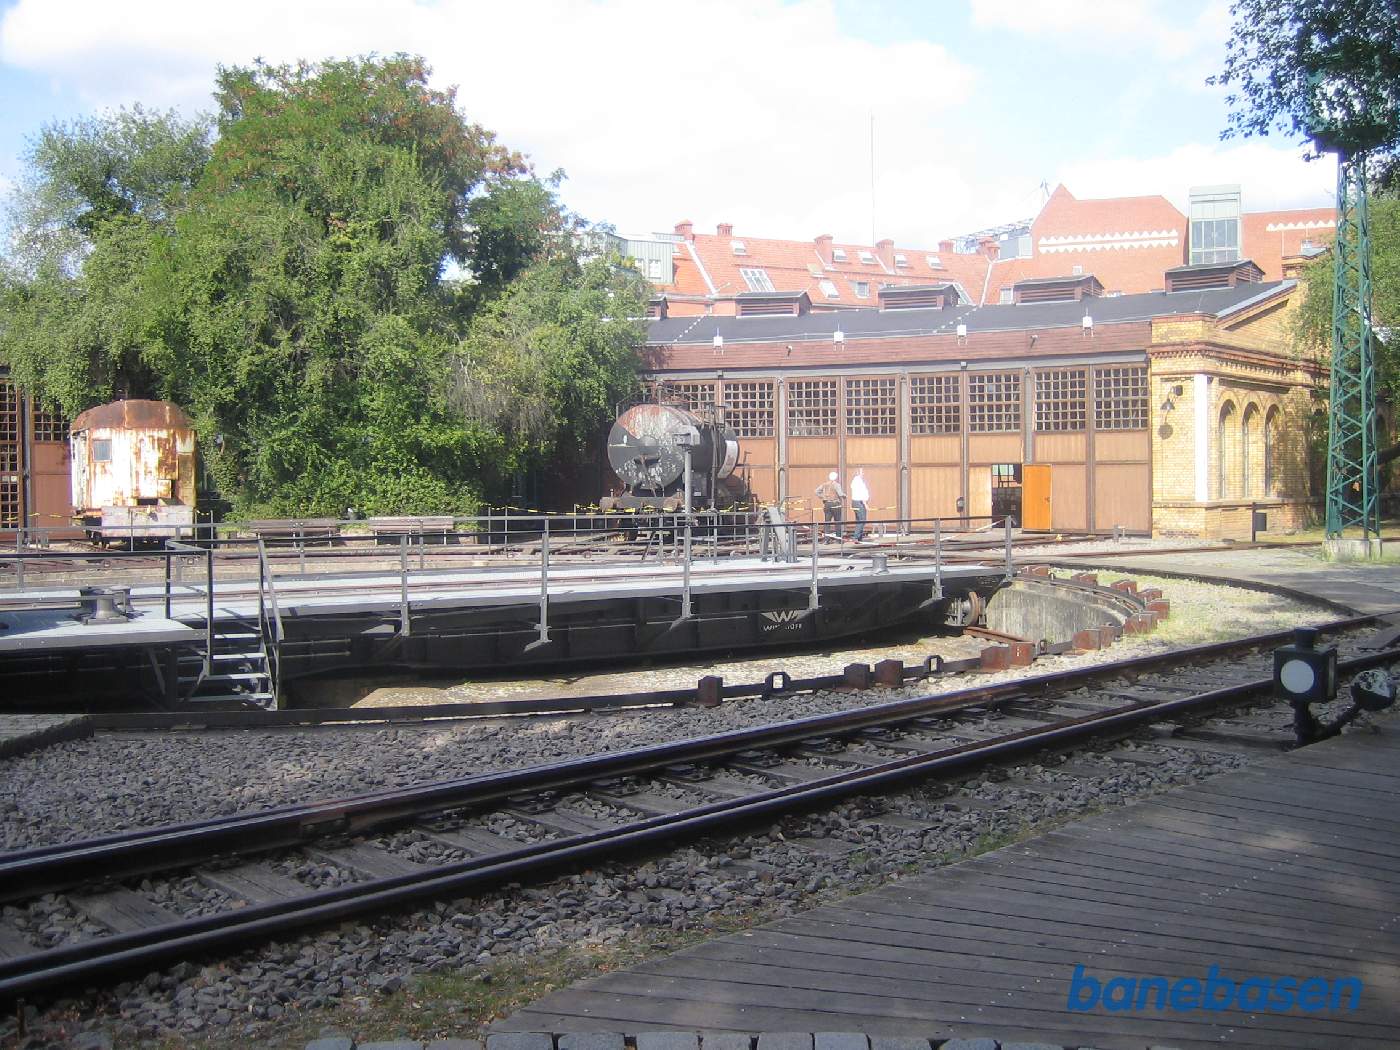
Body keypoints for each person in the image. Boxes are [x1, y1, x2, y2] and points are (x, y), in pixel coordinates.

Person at [814, 471, 845, 540]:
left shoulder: (824, 484)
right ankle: (838, 539)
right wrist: (844, 495)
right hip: (835, 504)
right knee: (838, 522)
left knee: (827, 522)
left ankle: (826, 539)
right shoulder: (837, 485)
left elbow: (816, 491)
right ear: (836, 478)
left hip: (827, 504)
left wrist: (823, 497)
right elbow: (840, 494)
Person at [849, 467, 870, 541]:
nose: (863, 473)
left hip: (855, 502)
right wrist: (865, 504)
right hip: (859, 502)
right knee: (862, 520)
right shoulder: (858, 481)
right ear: (858, 473)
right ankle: (856, 537)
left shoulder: (856, 480)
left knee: (859, 520)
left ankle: (859, 537)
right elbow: (861, 493)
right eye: (862, 472)